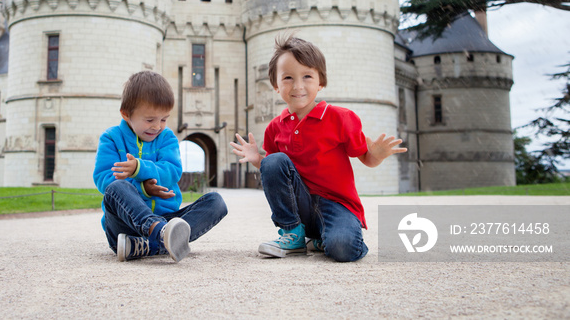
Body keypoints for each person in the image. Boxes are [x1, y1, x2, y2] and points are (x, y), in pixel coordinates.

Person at [230, 34, 407, 262]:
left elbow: (366, 157)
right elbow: (275, 173)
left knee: (343, 250)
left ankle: (322, 239)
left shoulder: (341, 118)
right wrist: (257, 159)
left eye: (307, 76)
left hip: (337, 204)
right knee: (273, 161)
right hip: (300, 206)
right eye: (288, 78)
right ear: (275, 85)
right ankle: (292, 233)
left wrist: (378, 155)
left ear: (320, 82)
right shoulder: (275, 127)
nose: (298, 86)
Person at [93, 70, 227, 262]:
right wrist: (143, 188)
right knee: (116, 187)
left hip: (166, 219)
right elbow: (105, 180)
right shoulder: (111, 138)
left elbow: (172, 171)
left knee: (216, 202)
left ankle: (153, 243)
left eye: (164, 119)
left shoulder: (167, 138)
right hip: (124, 229)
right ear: (126, 114)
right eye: (149, 120)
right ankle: (161, 235)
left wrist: (140, 168)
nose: (157, 126)